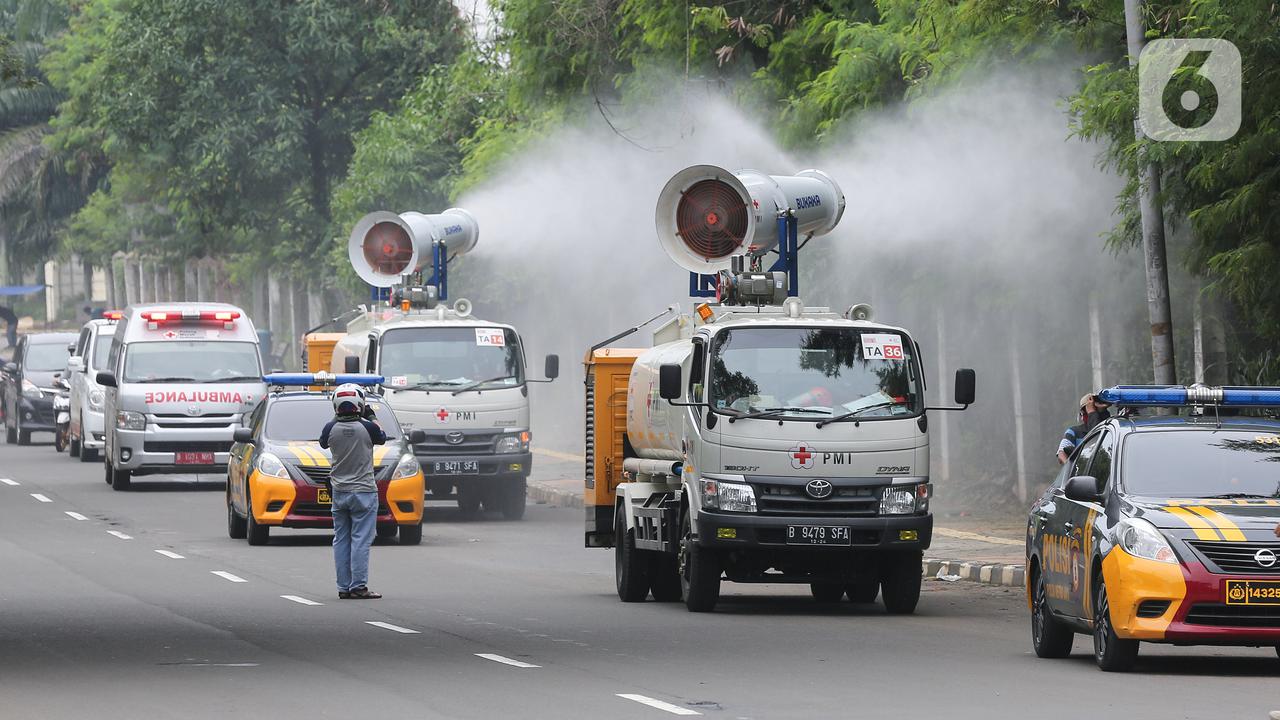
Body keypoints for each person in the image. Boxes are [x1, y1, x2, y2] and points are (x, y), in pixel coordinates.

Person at [319, 383, 387, 599]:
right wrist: (371, 414)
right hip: (364, 491)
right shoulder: (368, 428)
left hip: (339, 492)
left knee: (341, 539)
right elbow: (382, 436)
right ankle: (358, 586)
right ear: (360, 404)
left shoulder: (330, 429)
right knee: (360, 540)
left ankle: (343, 587)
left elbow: (322, 443)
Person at [1055, 392, 1113, 465]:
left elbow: (1099, 439)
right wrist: (1070, 466)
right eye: (1091, 409)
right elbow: (1061, 454)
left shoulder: (1112, 430)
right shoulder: (1074, 432)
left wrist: (1100, 411)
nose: (1095, 414)